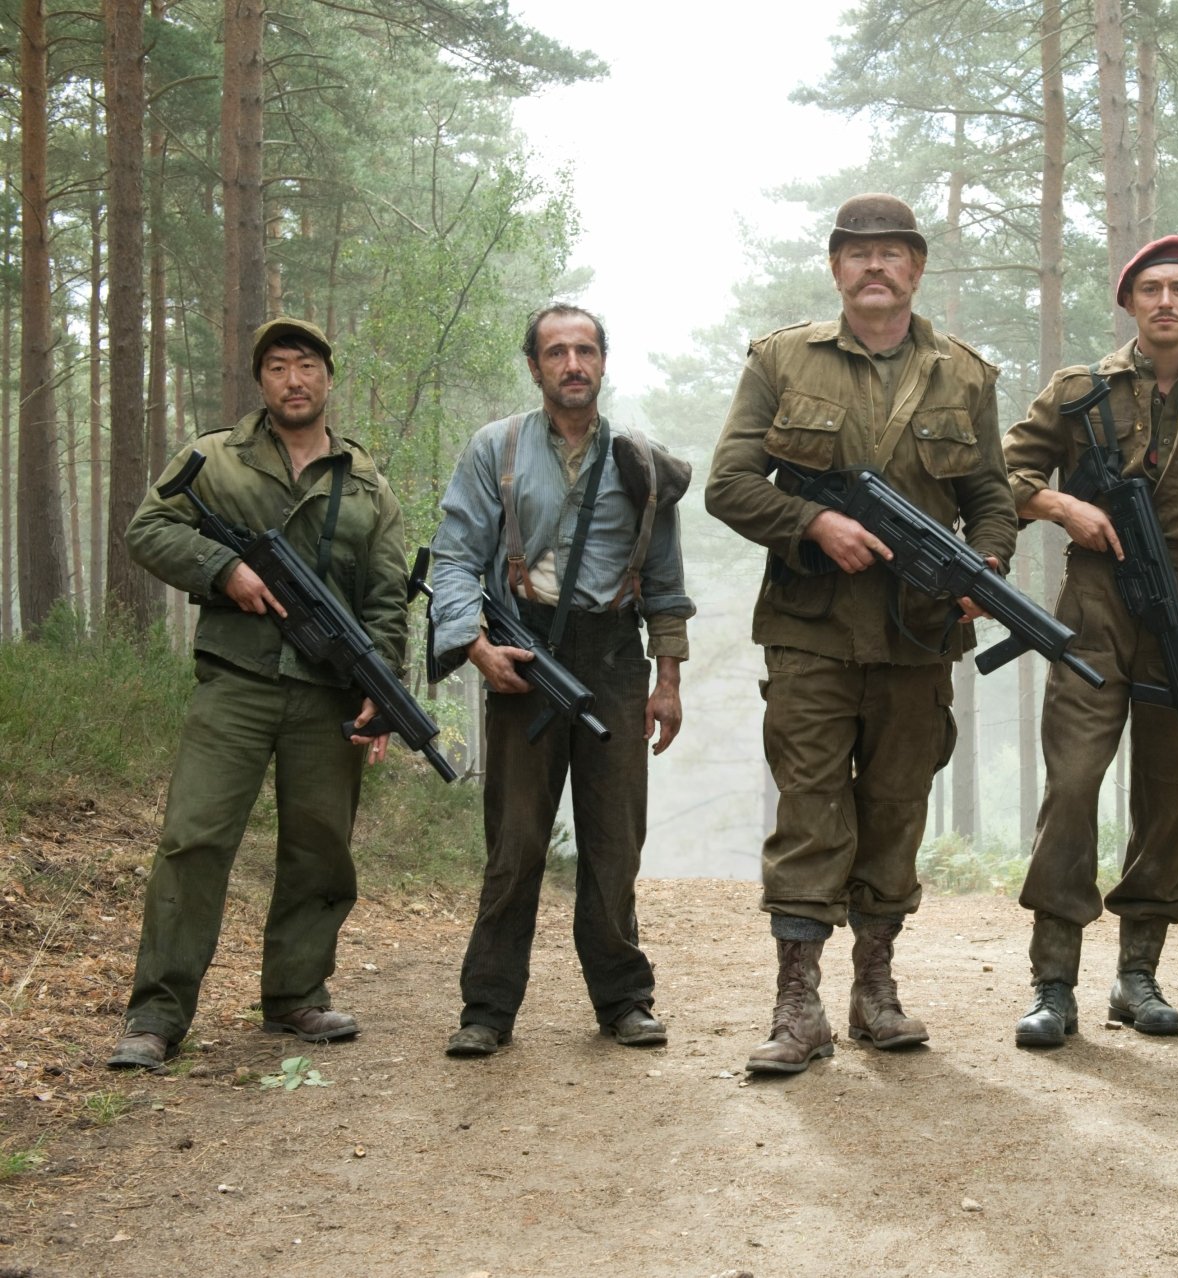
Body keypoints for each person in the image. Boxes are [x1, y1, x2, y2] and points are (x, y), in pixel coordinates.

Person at [706, 193, 1018, 1075]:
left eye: (893, 254)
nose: (875, 267)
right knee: (810, 807)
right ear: (836, 268)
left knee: (895, 809)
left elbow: (992, 496)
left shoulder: (965, 375)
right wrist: (813, 524)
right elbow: (729, 484)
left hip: (918, 638)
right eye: (858, 253)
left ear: (916, 270)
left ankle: (874, 989)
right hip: (811, 633)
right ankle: (797, 1006)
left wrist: (984, 564)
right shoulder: (781, 360)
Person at [108, 318, 407, 1071]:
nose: (293, 380)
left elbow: (386, 594)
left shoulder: (364, 479)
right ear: (262, 381)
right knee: (194, 839)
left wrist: (383, 684)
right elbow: (148, 529)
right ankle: (157, 1015)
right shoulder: (214, 458)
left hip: (327, 694)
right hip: (237, 682)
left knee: (319, 850)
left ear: (328, 378)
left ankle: (296, 996)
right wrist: (222, 569)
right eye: (277, 366)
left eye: (306, 365)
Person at [1000, 234, 1178, 1047]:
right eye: (1150, 288)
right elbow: (1003, 474)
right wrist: (1062, 509)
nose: (1164, 301)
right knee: (1075, 783)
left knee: (1176, 788)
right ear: (1129, 303)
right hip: (1095, 601)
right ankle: (1054, 982)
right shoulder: (1078, 389)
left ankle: (1137, 974)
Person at [431, 304, 694, 1058]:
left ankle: (624, 1001)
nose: (572, 363)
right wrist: (476, 647)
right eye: (556, 352)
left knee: (616, 841)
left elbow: (667, 583)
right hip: (524, 651)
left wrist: (667, 679)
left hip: (613, 654)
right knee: (515, 843)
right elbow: (454, 555)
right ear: (534, 366)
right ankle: (486, 1009)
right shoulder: (497, 448)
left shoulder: (642, 461)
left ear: (604, 363)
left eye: (585, 350)